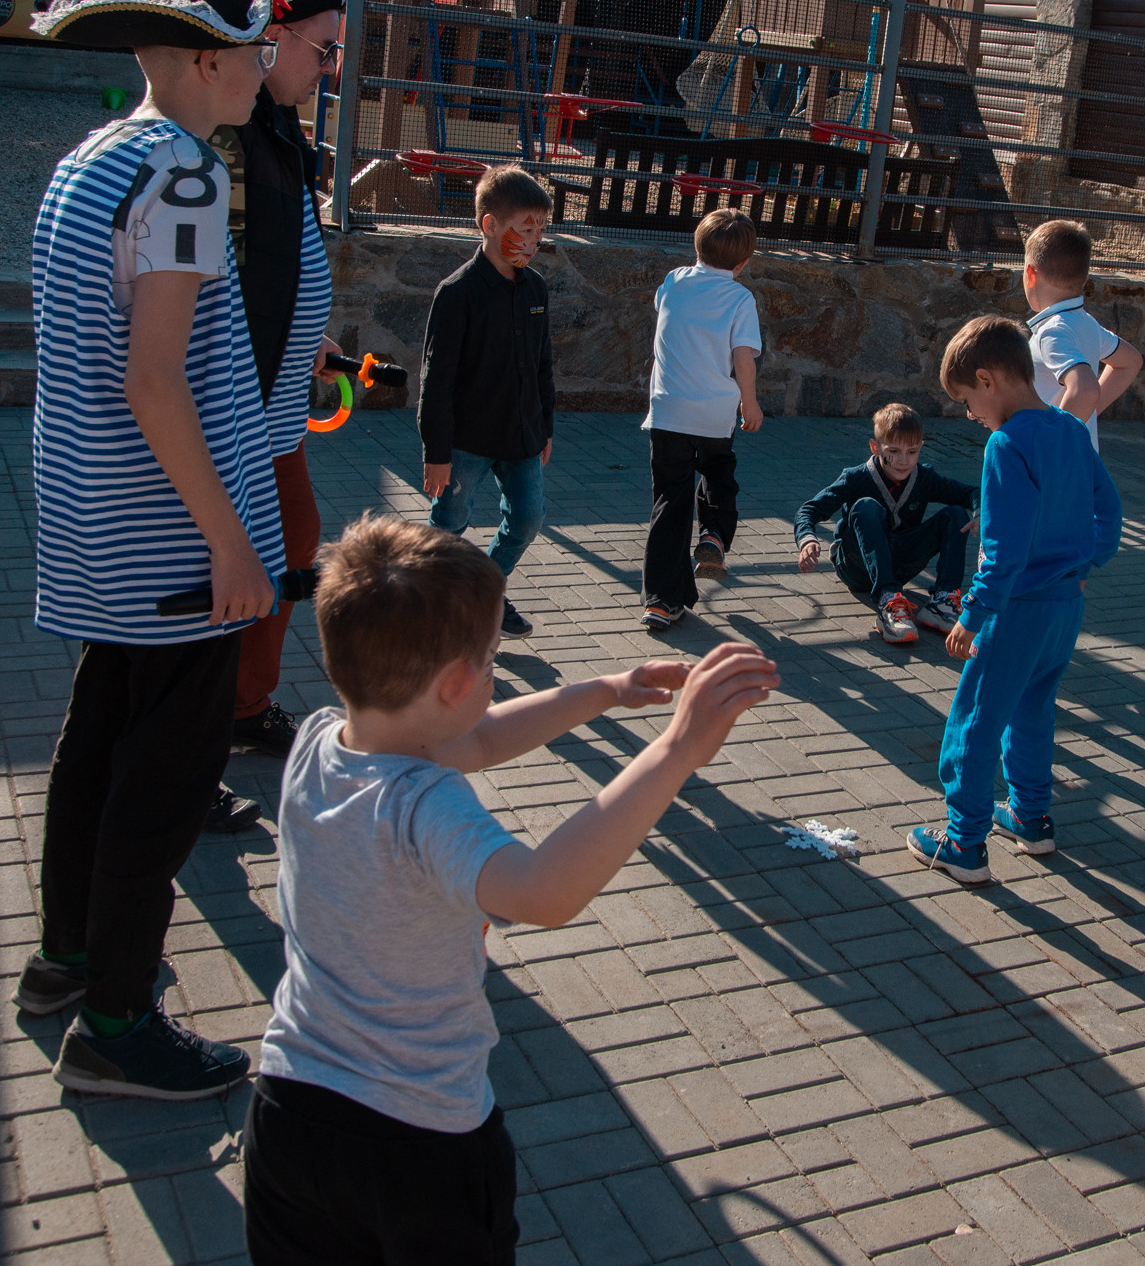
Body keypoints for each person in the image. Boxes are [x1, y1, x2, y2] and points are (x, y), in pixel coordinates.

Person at [244, 516, 779, 1264]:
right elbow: (542, 891)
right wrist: (677, 748)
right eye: (491, 658)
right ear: (455, 683)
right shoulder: (425, 803)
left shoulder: (320, 741)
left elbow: (482, 735)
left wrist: (604, 689)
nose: (492, 674)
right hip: (418, 1141)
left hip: (289, 1113)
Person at [10, 0, 286, 1102]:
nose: (264, 61)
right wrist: (230, 540)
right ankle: (119, 1022)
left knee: (95, 748)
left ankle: (64, 960)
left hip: (95, 522)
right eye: (248, 45)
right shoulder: (184, 173)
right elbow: (155, 376)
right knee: (161, 785)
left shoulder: (93, 158)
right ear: (193, 56)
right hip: (170, 538)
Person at [199, 0, 349, 832]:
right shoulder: (228, 133)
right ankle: (194, 744)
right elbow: (211, 285)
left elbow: (271, 263)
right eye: (322, 50)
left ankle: (244, 706)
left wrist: (312, 338)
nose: (328, 67)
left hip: (279, 397)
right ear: (272, 34)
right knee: (233, 571)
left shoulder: (277, 126)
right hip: (238, 408)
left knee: (293, 542)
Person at [908, 317, 1121, 886]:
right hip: (1064, 609)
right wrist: (1081, 565)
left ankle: (965, 842)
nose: (970, 414)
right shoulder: (1073, 430)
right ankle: (1031, 817)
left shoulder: (1006, 444)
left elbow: (1003, 550)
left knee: (973, 723)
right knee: (1033, 710)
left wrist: (972, 617)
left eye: (967, 400)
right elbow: (1111, 516)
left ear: (987, 378)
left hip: (1015, 610)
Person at [418, 165, 556, 639]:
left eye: (541, 229)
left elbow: (542, 364)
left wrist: (545, 427)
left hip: (521, 436)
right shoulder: (457, 293)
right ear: (490, 225)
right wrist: (437, 453)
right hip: (466, 441)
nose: (535, 239)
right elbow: (435, 379)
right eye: (526, 227)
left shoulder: (536, 288)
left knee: (528, 518)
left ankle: (486, 594)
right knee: (449, 523)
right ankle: (432, 608)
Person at [639, 208, 763, 631]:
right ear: (743, 264)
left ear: (696, 247)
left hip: (669, 410)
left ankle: (660, 599)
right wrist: (750, 402)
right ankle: (712, 534)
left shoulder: (673, 281)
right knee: (718, 474)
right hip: (714, 413)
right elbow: (742, 357)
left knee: (670, 500)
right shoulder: (740, 299)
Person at [792, 402, 979, 647]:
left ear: (921, 448)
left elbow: (971, 492)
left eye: (912, 452)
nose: (904, 461)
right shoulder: (856, 477)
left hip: (900, 563)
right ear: (875, 447)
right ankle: (888, 601)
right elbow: (809, 509)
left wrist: (979, 511)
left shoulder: (924, 477)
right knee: (865, 506)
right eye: (894, 451)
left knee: (956, 514)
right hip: (856, 568)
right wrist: (807, 539)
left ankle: (942, 602)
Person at [1021, 220, 1143, 448]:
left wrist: (1050, 444)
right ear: (1084, 278)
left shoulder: (1052, 332)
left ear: (1030, 274)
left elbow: (1085, 389)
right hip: (1082, 468)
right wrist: (1088, 413)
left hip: (1056, 472)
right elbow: (1131, 361)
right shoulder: (1086, 323)